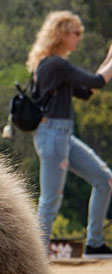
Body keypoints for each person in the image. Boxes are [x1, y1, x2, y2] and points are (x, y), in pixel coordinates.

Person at [27, 11, 112, 258]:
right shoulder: (55, 64)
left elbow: (87, 90)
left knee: (105, 179)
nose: (79, 38)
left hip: (61, 135)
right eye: (76, 33)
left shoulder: (54, 65)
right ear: (61, 34)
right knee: (50, 200)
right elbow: (96, 82)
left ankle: (94, 243)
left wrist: (108, 59)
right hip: (53, 135)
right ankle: (37, 258)